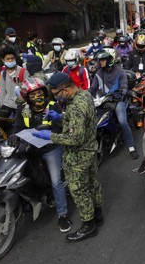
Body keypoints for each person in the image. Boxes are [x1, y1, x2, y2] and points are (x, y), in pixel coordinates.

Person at [34, 72, 103, 242]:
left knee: (79, 190)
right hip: (90, 149)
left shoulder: (75, 106)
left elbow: (75, 138)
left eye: (56, 94)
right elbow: (79, 121)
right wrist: (62, 117)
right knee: (93, 183)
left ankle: (88, 225)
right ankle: (98, 214)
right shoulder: (84, 95)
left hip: (78, 156)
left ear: (65, 89)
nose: (56, 98)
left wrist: (50, 136)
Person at [11, 78, 71, 233]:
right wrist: (14, 136)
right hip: (30, 150)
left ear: (44, 93)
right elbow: (17, 127)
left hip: (51, 148)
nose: (37, 96)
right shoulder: (22, 109)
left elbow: (60, 127)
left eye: (39, 93)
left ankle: (62, 215)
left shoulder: (53, 106)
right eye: (33, 94)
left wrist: (49, 135)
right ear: (27, 97)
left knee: (56, 180)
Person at [89, 49, 139, 159]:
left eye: (102, 60)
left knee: (122, 121)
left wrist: (120, 94)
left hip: (117, 100)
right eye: (99, 60)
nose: (100, 62)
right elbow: (93, 88)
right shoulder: (98, 73)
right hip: (102, 100)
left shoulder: (120, 72)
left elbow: (124, 87)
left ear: (109, 60)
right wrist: (84, 95)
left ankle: (131, 147)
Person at [0, 48, 30, 128]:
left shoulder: (23, 71)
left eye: (12, 58)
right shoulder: (3, 73)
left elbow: (29, 88)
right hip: (7, 103)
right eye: (8, 59)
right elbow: (2, 91)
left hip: (21, 104)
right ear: (3, 60)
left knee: (24, 125)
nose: (10, 60)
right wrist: (2, 106)